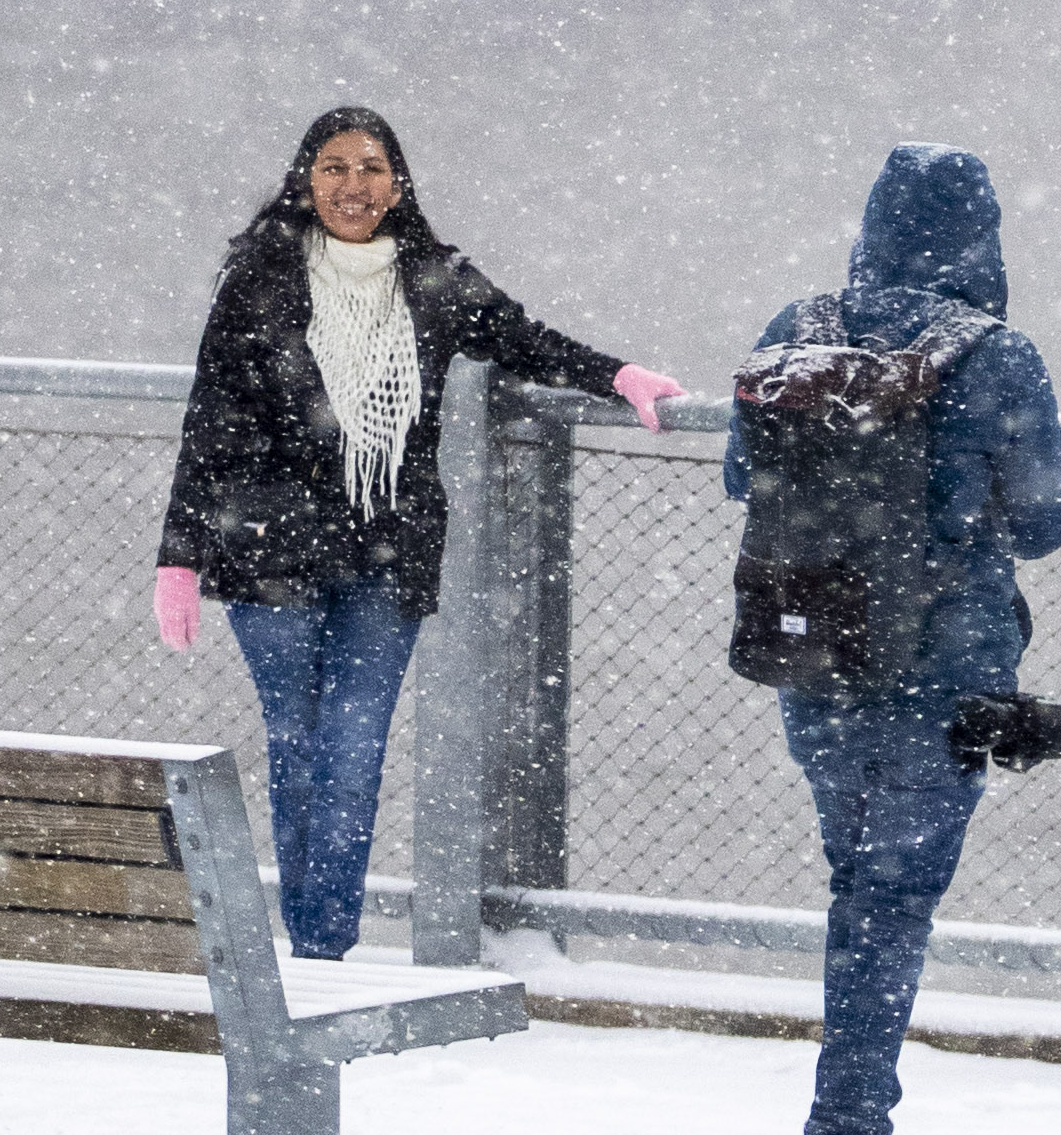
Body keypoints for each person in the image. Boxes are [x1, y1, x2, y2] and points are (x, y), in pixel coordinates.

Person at [153, 100, 684, 958]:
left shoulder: (434, 279)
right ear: (306, 180)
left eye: (370, 169)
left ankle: (321, 943)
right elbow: (210, 420)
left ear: (397, 183)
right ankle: (315, 941)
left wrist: (617, 374)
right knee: (297, 744)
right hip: (269, 551)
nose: (353, 187)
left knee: (353, 748)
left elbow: (525, 339)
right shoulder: (261, 279)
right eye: (334, 169)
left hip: (383, 551)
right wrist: (179, 558)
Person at [730, 145, 1061, 1135]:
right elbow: (1044, 518)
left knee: (855, 884)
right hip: (944, 668)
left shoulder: (800, 326)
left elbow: (746, 473)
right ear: (985, 238)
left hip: (817, 649)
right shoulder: (994, 353)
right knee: (894, 902)